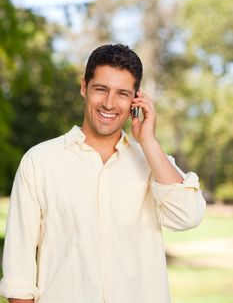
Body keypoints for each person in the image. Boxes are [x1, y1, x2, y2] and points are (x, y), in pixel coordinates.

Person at [0, 44, 206, 303]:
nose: (109, 103)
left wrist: (149, 142)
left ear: (135, 100)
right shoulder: (40, 161)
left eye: (122, 93)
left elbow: (187, 216)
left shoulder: (154, 162)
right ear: (84, 87)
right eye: (101, 89)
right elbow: (19, 274)